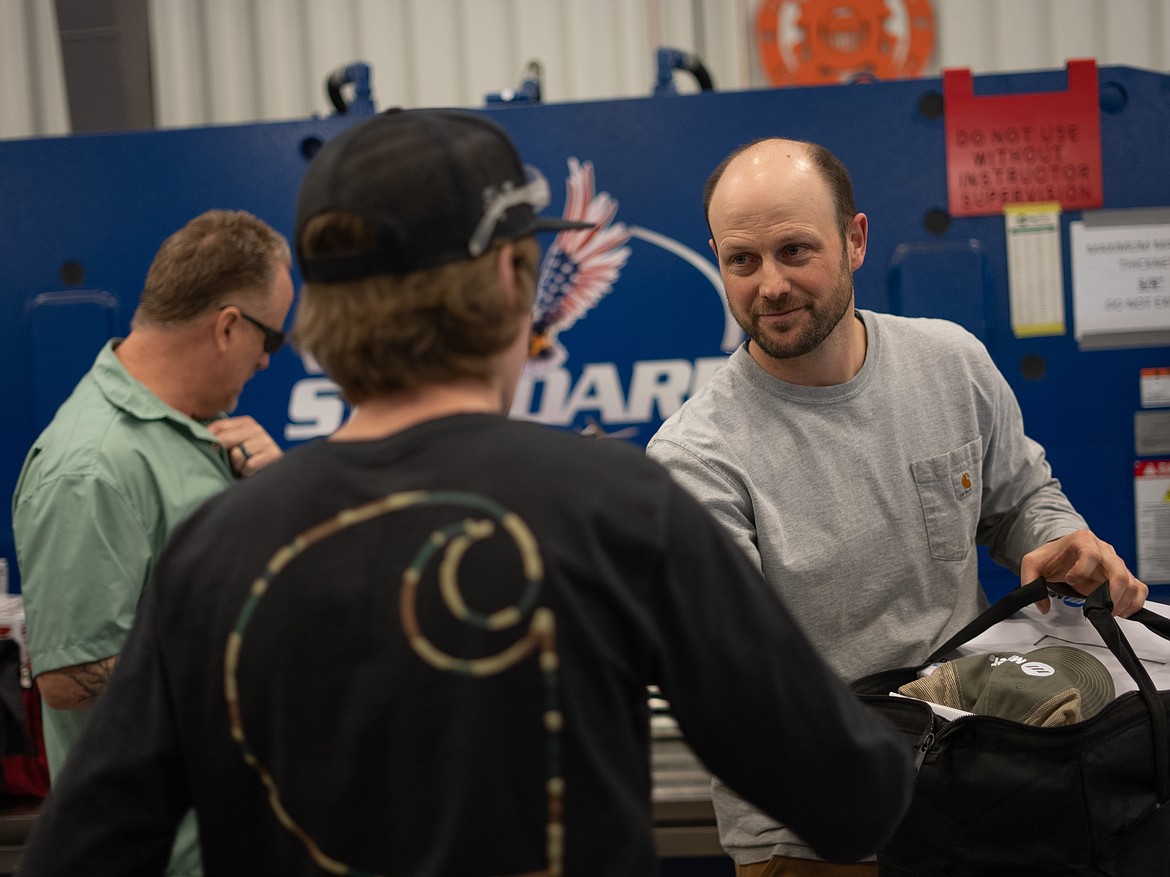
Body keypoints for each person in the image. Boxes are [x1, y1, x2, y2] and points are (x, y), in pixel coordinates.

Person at [16, 110, 914, 877]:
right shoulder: (619, 507)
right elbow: (850, 798)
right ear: (507, 282)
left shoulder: (212, 551)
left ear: (321, 314)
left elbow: (79, 852)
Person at [645, 137, 1149, 876]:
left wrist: (1060, 537)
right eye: (742, 261)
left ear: (855, 240)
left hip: (985, 788)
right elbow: (742, 689)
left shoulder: (950, 363)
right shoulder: (696, 457)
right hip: (816, 836)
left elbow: (1020, 500)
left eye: (795, 250)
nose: (772, 285)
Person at [11, 208, 294, 876]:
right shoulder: (92, 466)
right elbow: (66, 680)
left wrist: (279, 497)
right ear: (227, 325)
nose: (263, 359)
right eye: (270, 340)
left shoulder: (198, 432)